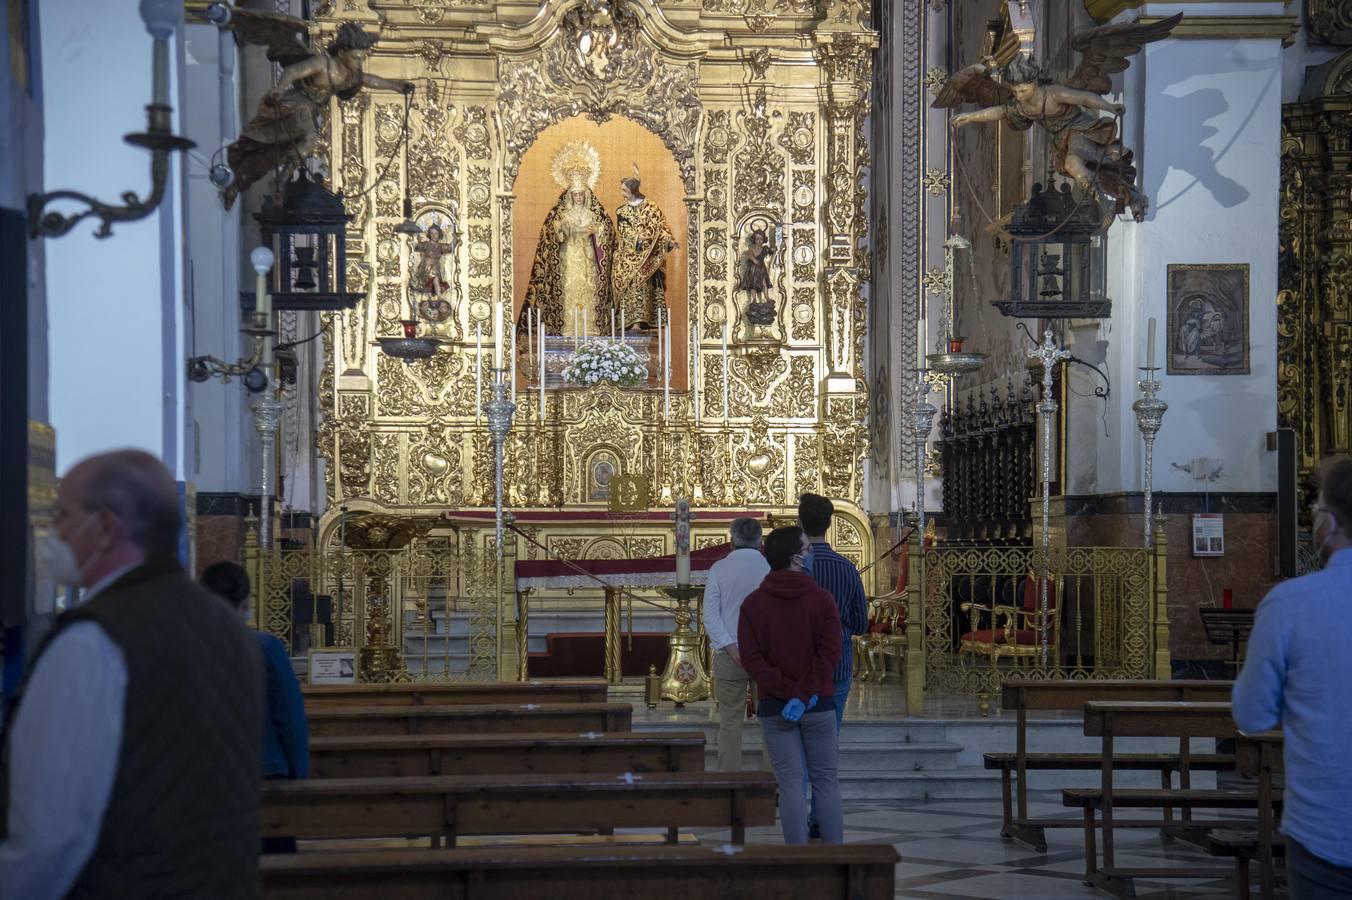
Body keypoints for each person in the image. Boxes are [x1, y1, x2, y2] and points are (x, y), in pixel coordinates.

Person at [0, 450, 263, 898]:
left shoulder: (92, 642)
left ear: (104, 527)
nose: (53, 532)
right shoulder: (229, 628)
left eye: (62, 515)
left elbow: (48, 836)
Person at [1233, 457, 1352, 897]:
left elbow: (1252, 714)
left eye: (1317, 508)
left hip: (1326, 829)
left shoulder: (1291, 604)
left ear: (1331, 523)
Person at [738, 525, 843, 846]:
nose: (811, 555)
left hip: (775, 706)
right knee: (825, 781)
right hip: (818, 703)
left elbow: (752, 659)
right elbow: (829, 655)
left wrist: (786, 692)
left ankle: (796, 857)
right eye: (808, 551)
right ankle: (836, 856)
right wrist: (804, 693)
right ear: (796, 559)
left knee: (791, 784)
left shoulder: (753, 604)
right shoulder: (822, 600)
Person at [200, 561, 309, 854]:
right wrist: (298, 775)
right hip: (265, 771)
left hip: (205, 776)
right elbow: (289, 717)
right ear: (247, 602)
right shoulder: (265, 646)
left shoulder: (186, 645)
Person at [798, 492, 868, 838]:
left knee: (796, 746)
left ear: (800, 522)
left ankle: (799, 818)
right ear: (829, 523)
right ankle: (818, 818)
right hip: (837, 667)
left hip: (797, 666)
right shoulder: (846, 568)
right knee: (828, 744)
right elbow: (861, 621)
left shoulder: (794, 567)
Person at [703, 518, 771, 772]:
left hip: (729, 654)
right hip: (766, 656)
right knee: (769, 720)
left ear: (731, 539)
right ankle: (770, 785)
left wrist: (731, 647)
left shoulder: (719, 569)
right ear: (760, 540)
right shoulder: (770, 567)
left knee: (730, 720)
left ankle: (729, 780)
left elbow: (710, 616)